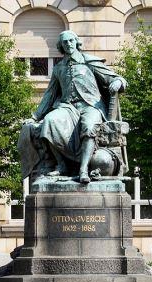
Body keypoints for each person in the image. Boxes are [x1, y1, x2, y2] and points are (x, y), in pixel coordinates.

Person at [21, 30, 127, 183]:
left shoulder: (89, 62)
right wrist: (35, 117)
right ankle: (61, 165)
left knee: (89, 127)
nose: (68, 44)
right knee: (50, 121)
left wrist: (118, 82)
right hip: (68, 107)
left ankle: (83, 169)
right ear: (61, 46)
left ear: (77, 43)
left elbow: (116, 79)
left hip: (91, 106)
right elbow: (49, 95)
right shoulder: (58, 69)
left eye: (71, 41)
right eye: (65, 42)